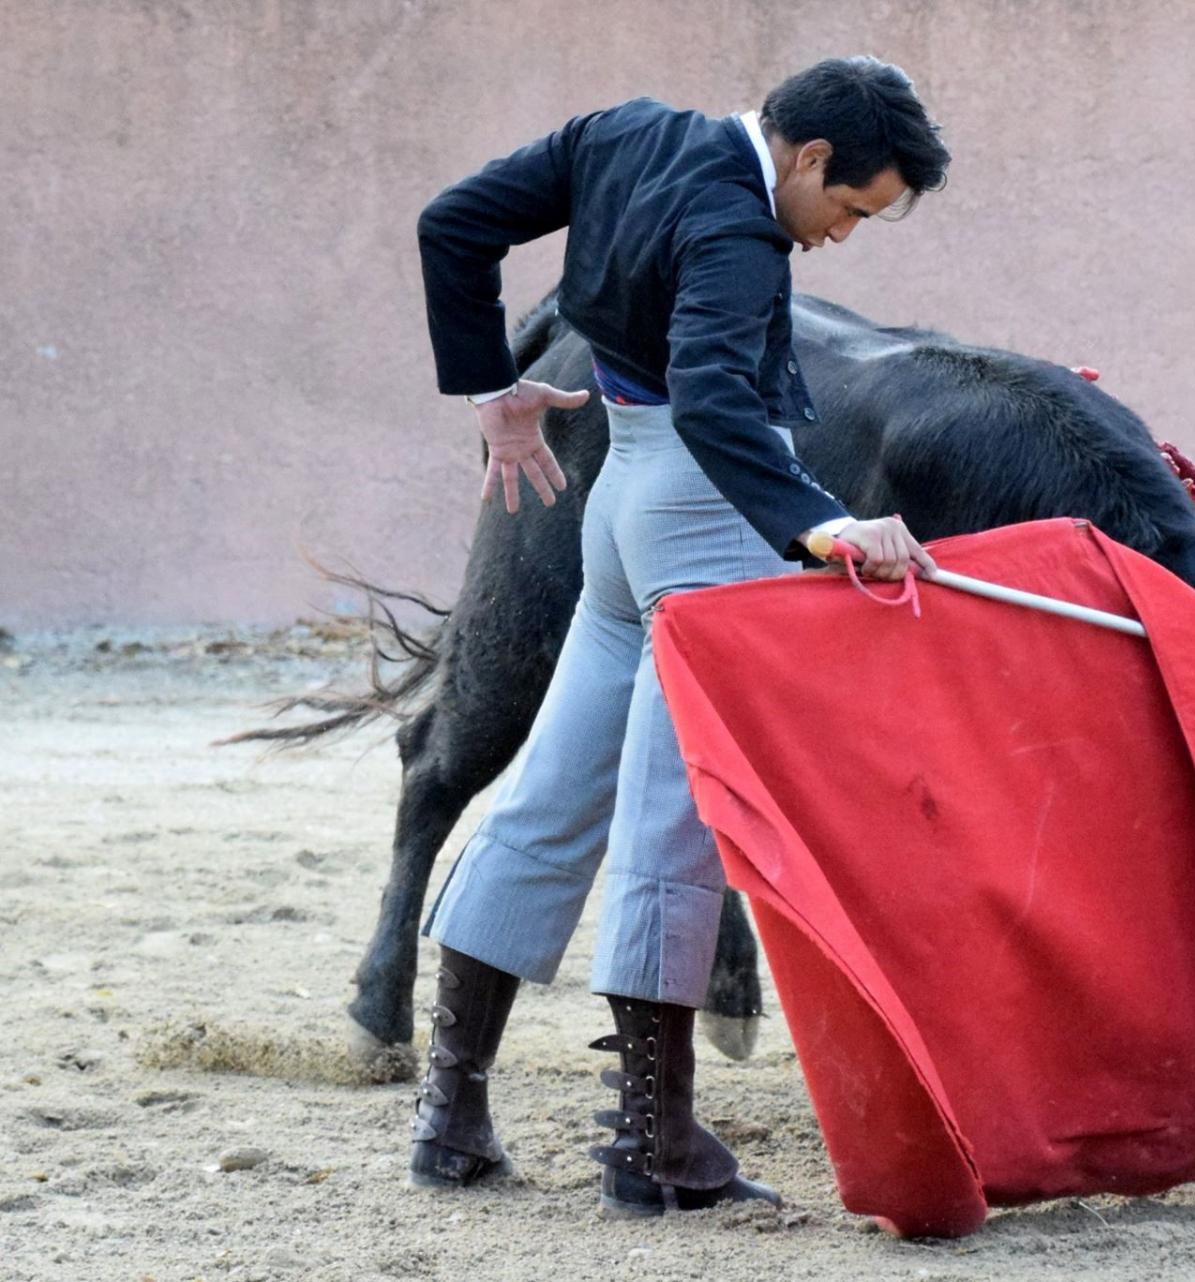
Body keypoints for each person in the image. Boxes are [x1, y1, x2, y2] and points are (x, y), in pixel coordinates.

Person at [405, 56, 949, 1219]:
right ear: (807, 160)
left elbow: (452, 224)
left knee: (550, 796)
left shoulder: (626, 131)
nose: (840, 240)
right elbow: (713, 397)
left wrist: (487, 384)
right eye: (848, 210)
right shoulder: (745, 237)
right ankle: (655, 1145)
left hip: (617, 501)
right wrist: (825, 524)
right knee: (670, 825)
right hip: (703, 518)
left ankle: (450, 1115)